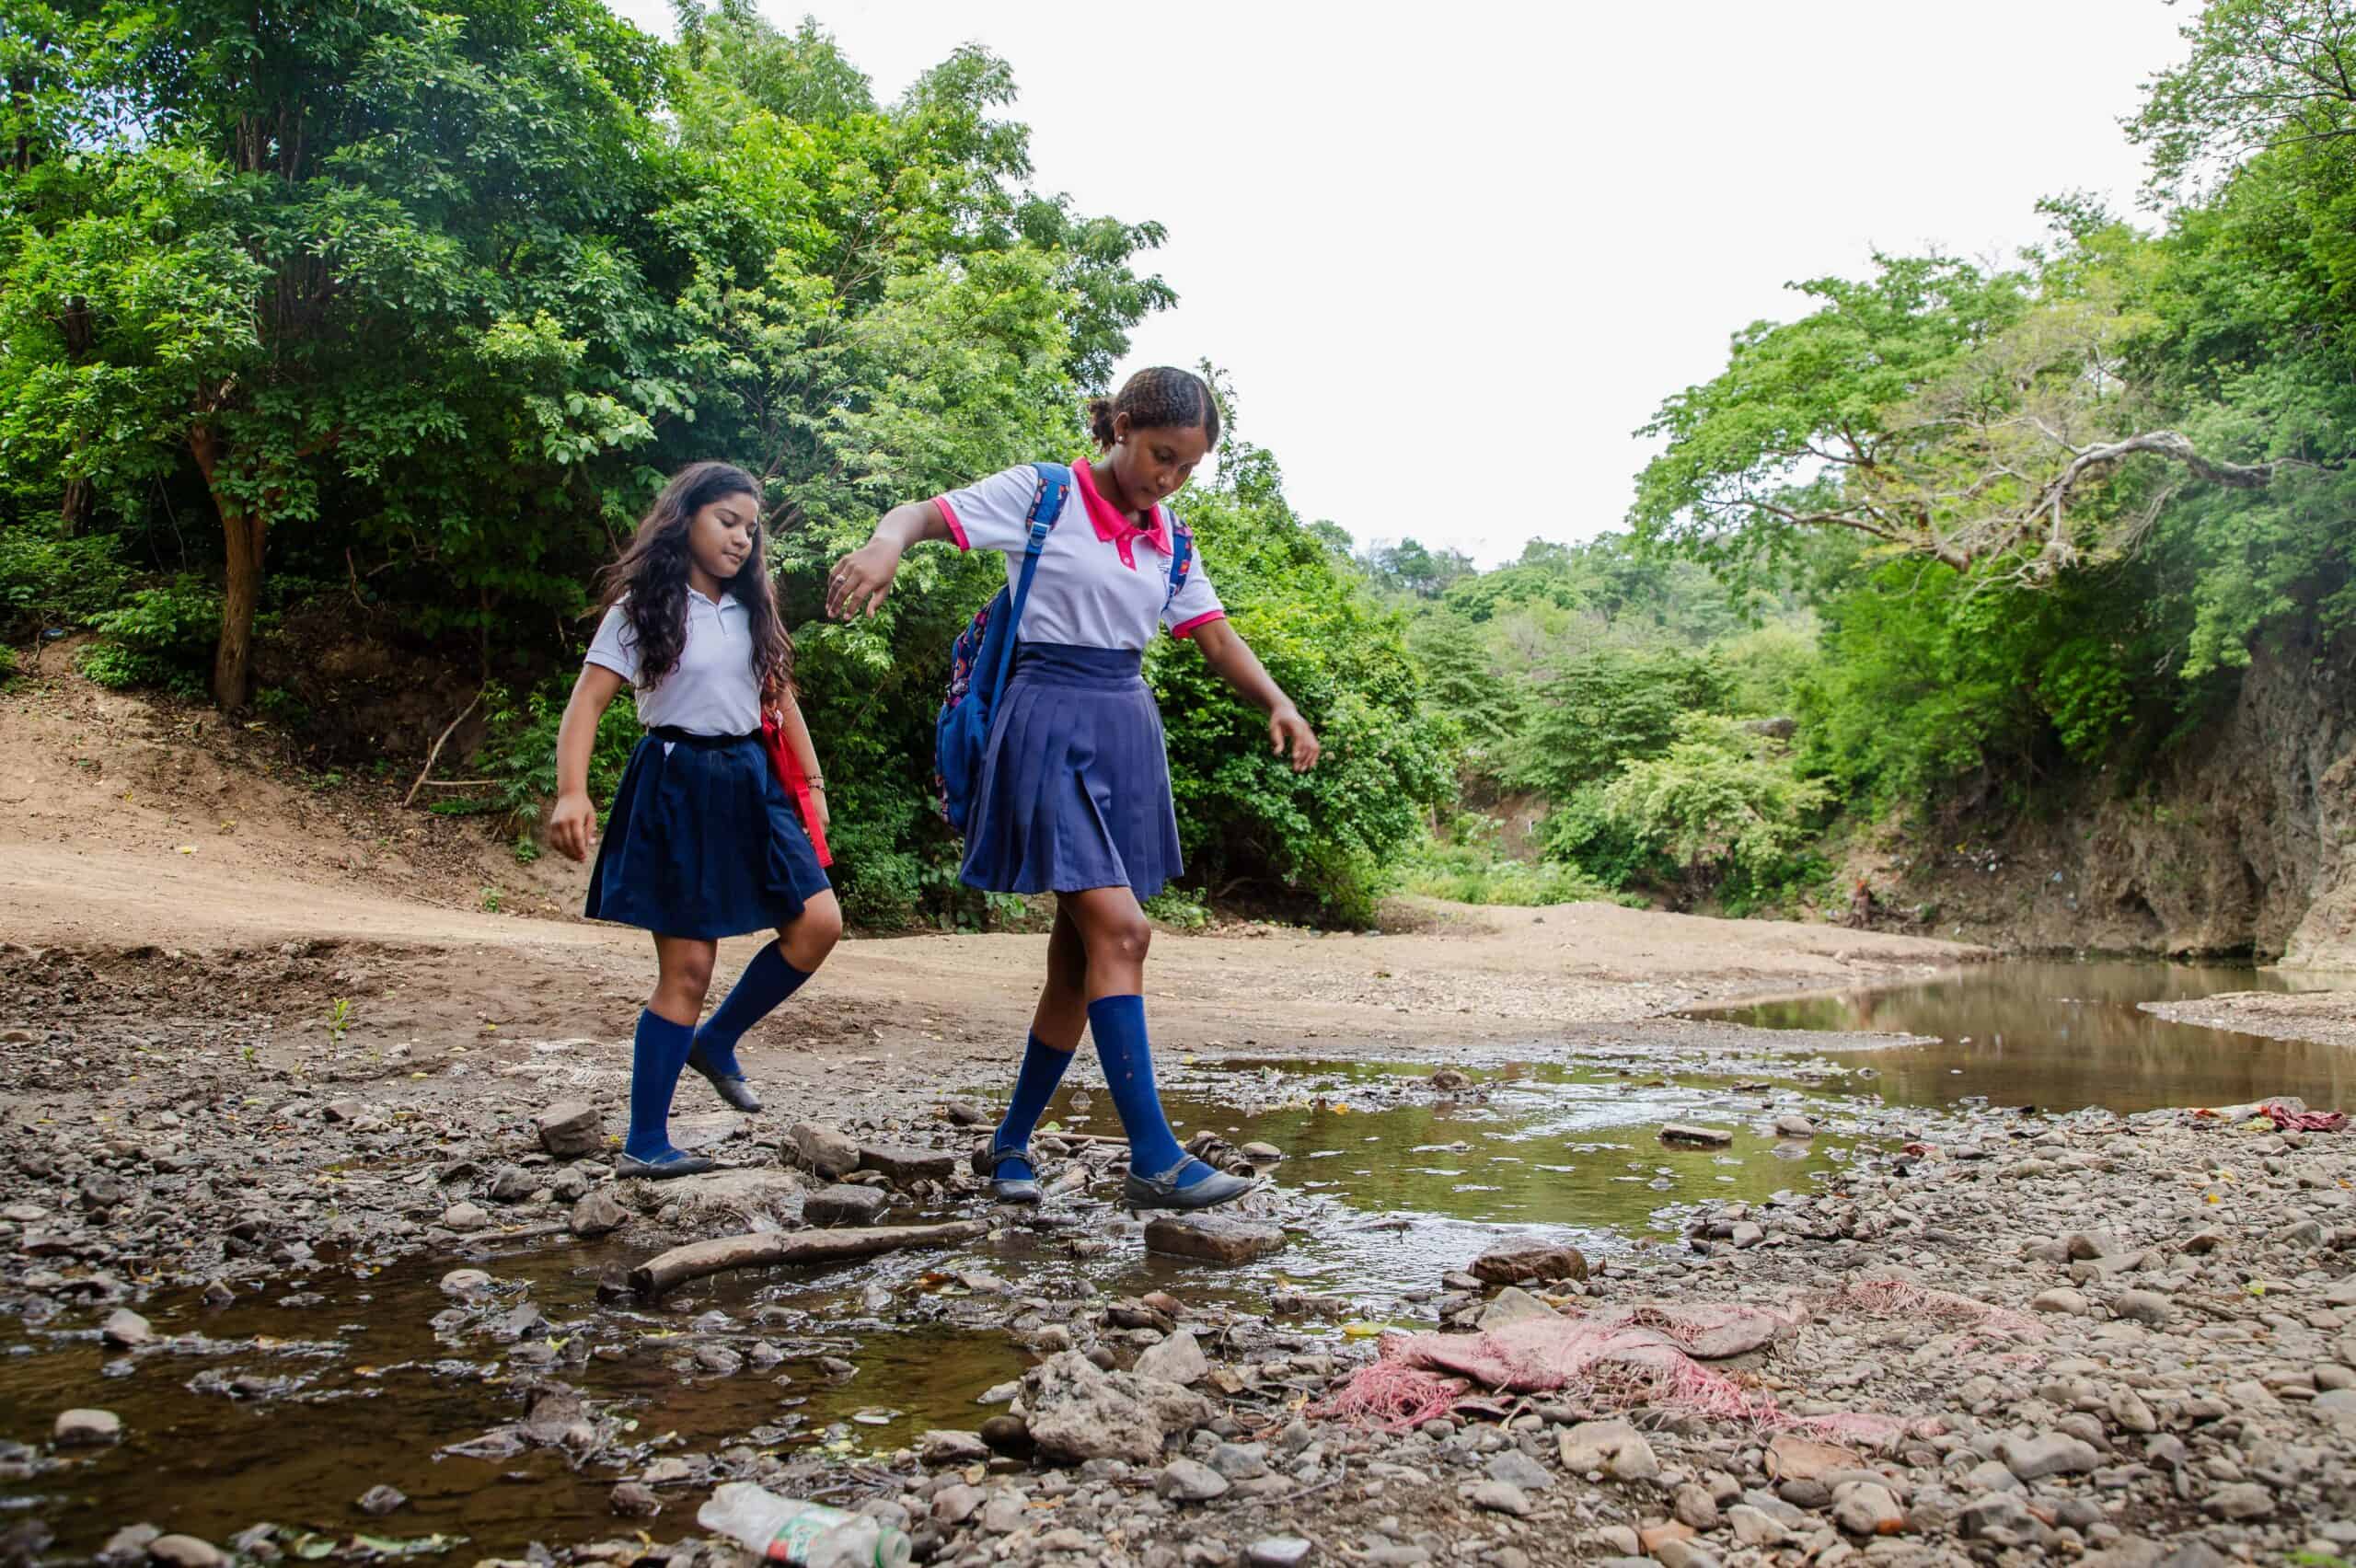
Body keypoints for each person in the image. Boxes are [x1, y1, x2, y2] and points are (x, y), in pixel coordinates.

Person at [826, 366, 1320, 1210]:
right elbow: (923, 516)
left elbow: (1212, 633)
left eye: (1186, 468)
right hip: (1046, 723)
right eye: (1161, 455)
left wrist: (1278, 700)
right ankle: (1154, 1158)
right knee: (1124, 933)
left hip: (1125, 728)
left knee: (1076, 959)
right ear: (1121, 426)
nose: (1168, 478)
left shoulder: (1173, 536)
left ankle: (1011, 1144)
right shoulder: (1041, 495)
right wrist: (885, 546)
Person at [549, 461, 842, 1179]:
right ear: (686, 519)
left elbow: (779, 695)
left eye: (750, 527)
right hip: (676, 784)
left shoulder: (754, 607)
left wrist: (809, 780)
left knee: (818, 924)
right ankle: (646, 1142)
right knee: (688, 967)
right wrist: (571, 793)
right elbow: (586, 704)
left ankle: (718, 1040)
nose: (742, 539)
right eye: (727, 521)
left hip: (753, 783)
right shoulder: (642, 608)